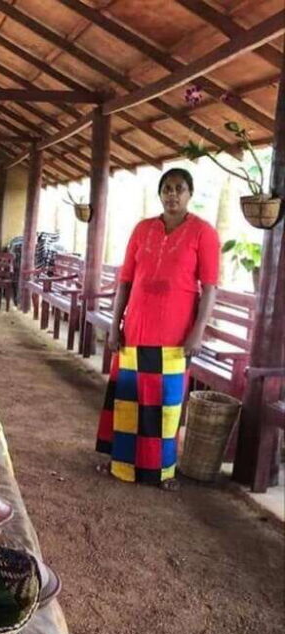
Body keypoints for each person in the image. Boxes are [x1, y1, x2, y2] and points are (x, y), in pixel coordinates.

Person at [96, 167, 219, 490]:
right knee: (128, 399)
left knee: (166, 405)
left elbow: (209, 288)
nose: (172, 194)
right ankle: (122, 464)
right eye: (167, 188)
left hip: (174, 336)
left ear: (189, 194)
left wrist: (197, 332)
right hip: (135, 328)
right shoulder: (142, 229)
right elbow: (125, 281)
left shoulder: (203, 233)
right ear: (160, 193)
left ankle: (162, 471)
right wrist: (115, 324)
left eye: (179, 188)